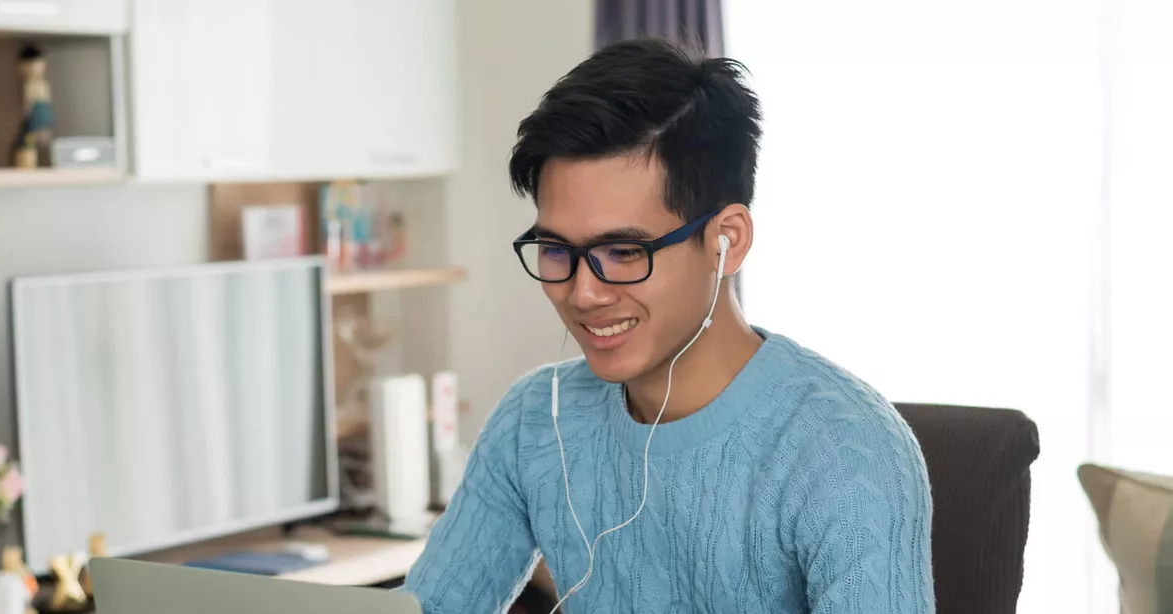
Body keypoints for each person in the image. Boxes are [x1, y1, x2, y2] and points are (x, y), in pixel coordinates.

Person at [400, 38, 935, 613]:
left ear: (726, 240)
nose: (582, 292)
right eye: (556, 249)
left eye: (625, 251)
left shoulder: (843, 451)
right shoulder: (535, 422)